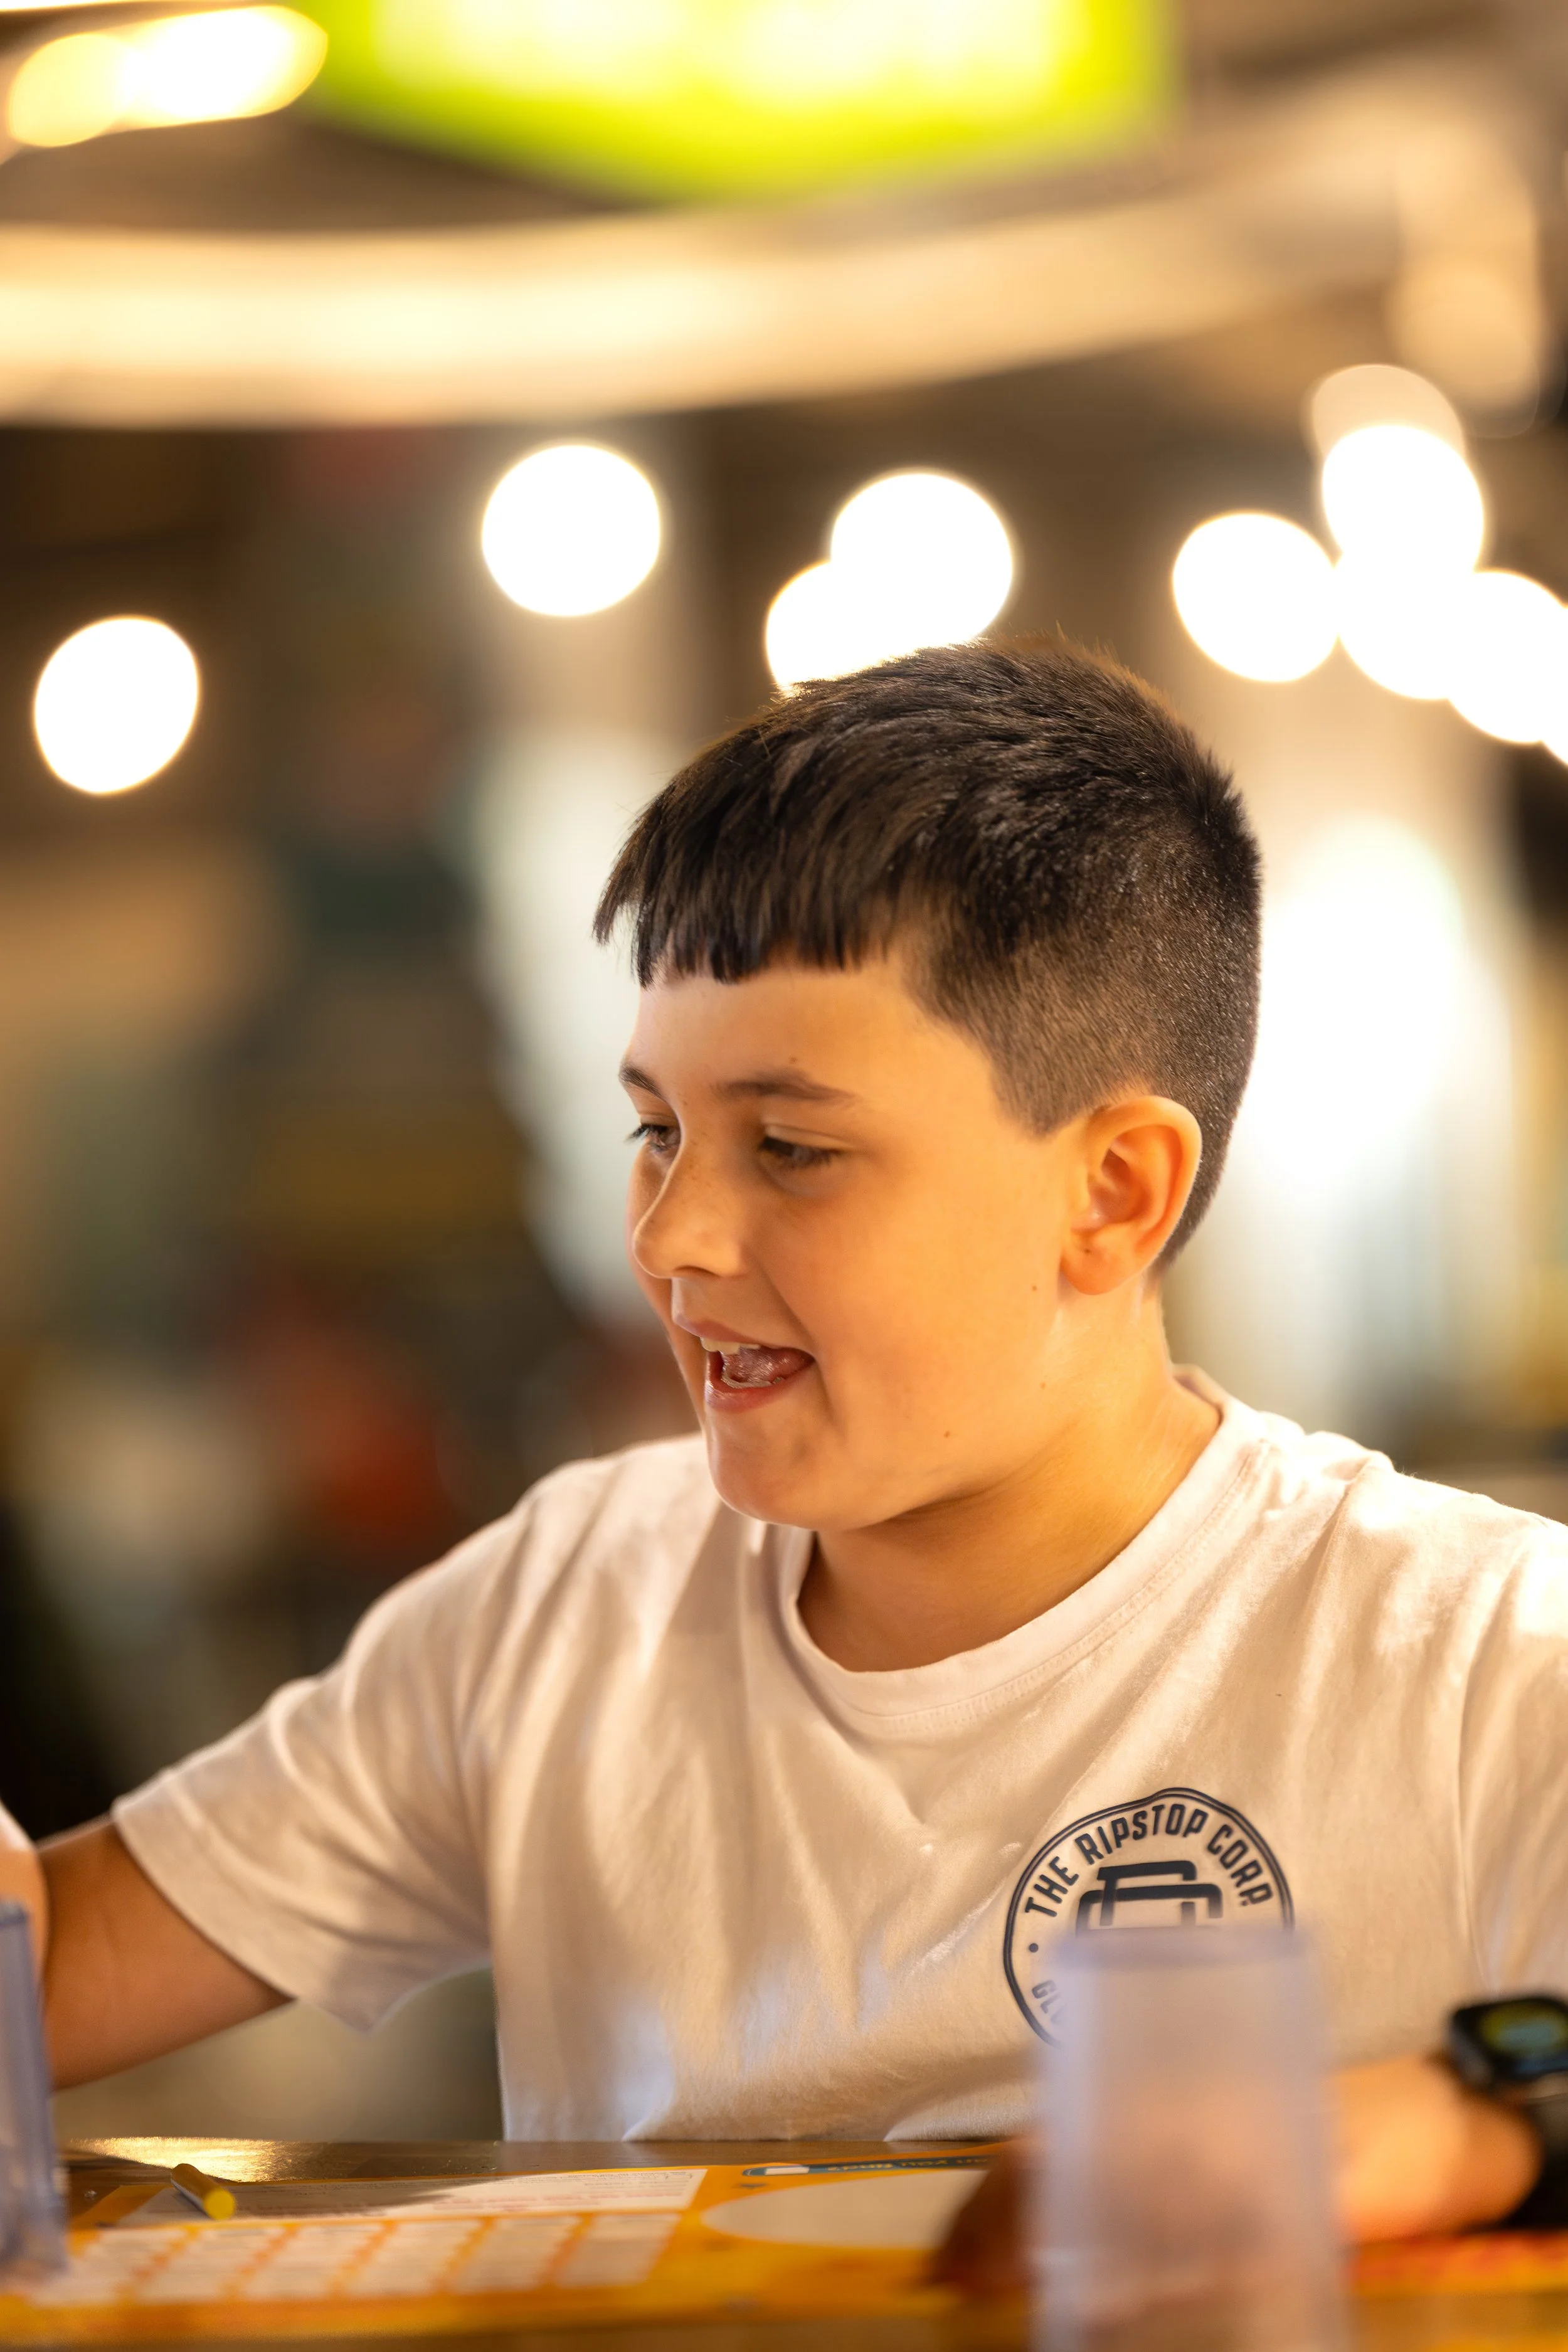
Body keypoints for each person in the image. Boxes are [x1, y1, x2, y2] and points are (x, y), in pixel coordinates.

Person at [11, 642, 1567, 2263]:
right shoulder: (562, 1609)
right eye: (655, 1130)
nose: (670, 1236)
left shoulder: (1478, 1655)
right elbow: (47, 1970)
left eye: (793, 1148)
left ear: (1113, 1194)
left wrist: (1471, 2118)